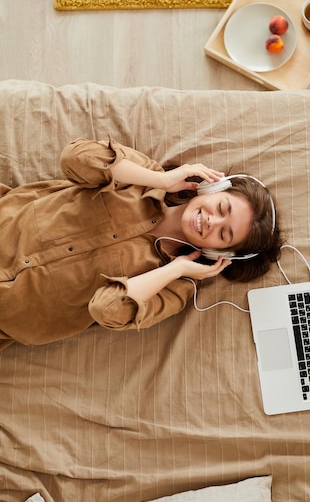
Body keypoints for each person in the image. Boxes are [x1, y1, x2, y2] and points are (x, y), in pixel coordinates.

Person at [0, 137, 282, 351]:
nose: (212, 222)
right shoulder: (143, 177)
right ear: (212, 187)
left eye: (224, 235)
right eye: (221, 207)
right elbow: (75, 158)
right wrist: (160, 179)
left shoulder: (173, 288)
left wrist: (173, 270)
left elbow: (106, 310)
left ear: (220, 252)